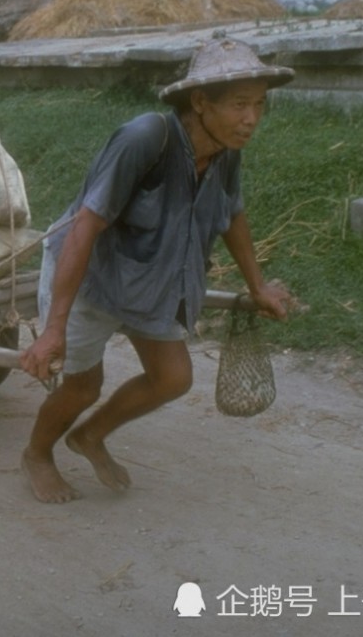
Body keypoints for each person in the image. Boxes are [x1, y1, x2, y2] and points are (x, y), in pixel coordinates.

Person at [19, 37, 296, 504]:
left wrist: (258, 285)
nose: (251, 119)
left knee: (173, 378)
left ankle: (89, 437)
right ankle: (37, 454)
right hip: (94, 277)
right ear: (200, 102)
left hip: (155, 278)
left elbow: (233, 214)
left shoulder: (227, 150)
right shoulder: (145, 138)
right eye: (239, 105)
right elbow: (85, 228)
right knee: (84, 386)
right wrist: (54, 329)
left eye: (260, 105)